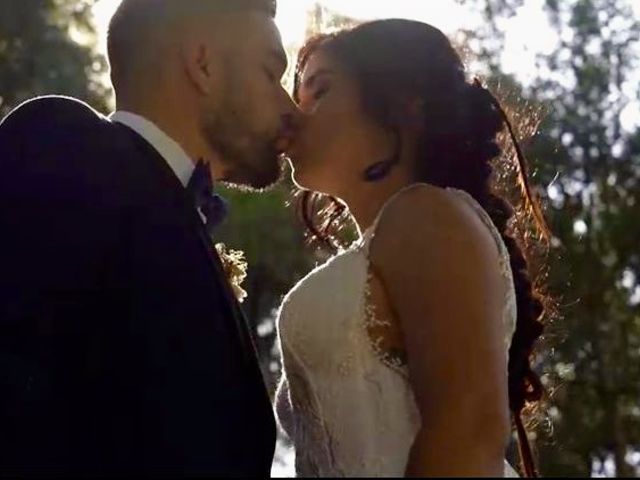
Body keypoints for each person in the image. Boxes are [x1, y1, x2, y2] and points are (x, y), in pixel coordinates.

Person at [0, 0, 298, 474]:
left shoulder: (175, 214)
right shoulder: (62, 145)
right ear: (202, 64)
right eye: (271, 73)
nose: (290, 108)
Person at [275, 19, 549, 477]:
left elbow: (467, 427)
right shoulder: (394, 236)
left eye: (319, 91)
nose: (295, 116)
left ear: (405, 105)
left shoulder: (425, 214)